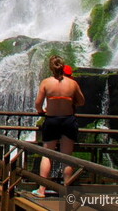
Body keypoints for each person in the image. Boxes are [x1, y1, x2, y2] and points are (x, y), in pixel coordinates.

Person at [33, 55, 85, 198]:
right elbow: (81, 101)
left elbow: (38, 103)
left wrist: (40, 111)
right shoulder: (72, 84)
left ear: (51, 68)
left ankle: (42, 190)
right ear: (63, 67)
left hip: (51, 120)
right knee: (66, 157)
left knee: (47, 155)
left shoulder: (46, 82)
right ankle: (67, 191)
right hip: (68, 120)